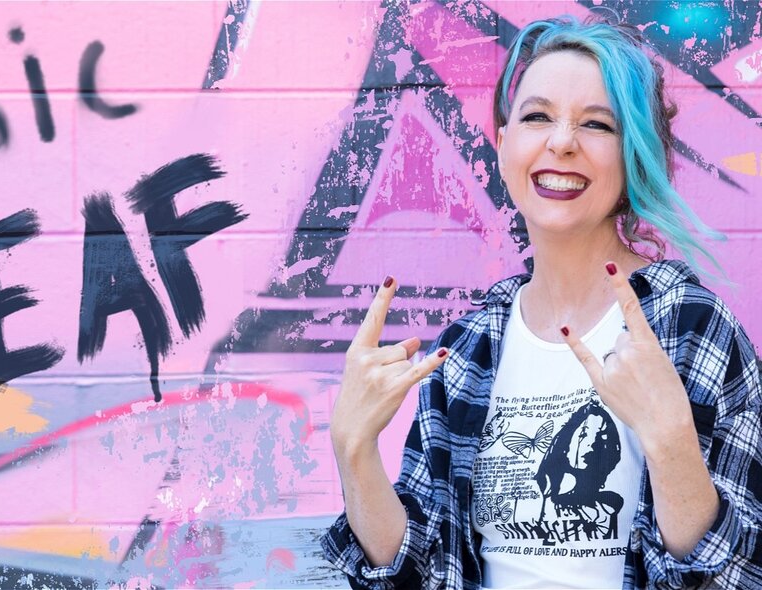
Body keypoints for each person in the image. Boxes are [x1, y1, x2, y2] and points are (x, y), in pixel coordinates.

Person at [322, 14, 762, 590]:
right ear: (504, 146)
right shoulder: (468, 348)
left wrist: (671, 440)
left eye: (597, 125)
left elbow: (738, 576)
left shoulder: (689, 326)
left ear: (634, 156)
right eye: (536, 117)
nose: (561, 141)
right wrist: (353, 451)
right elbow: (420, 576)